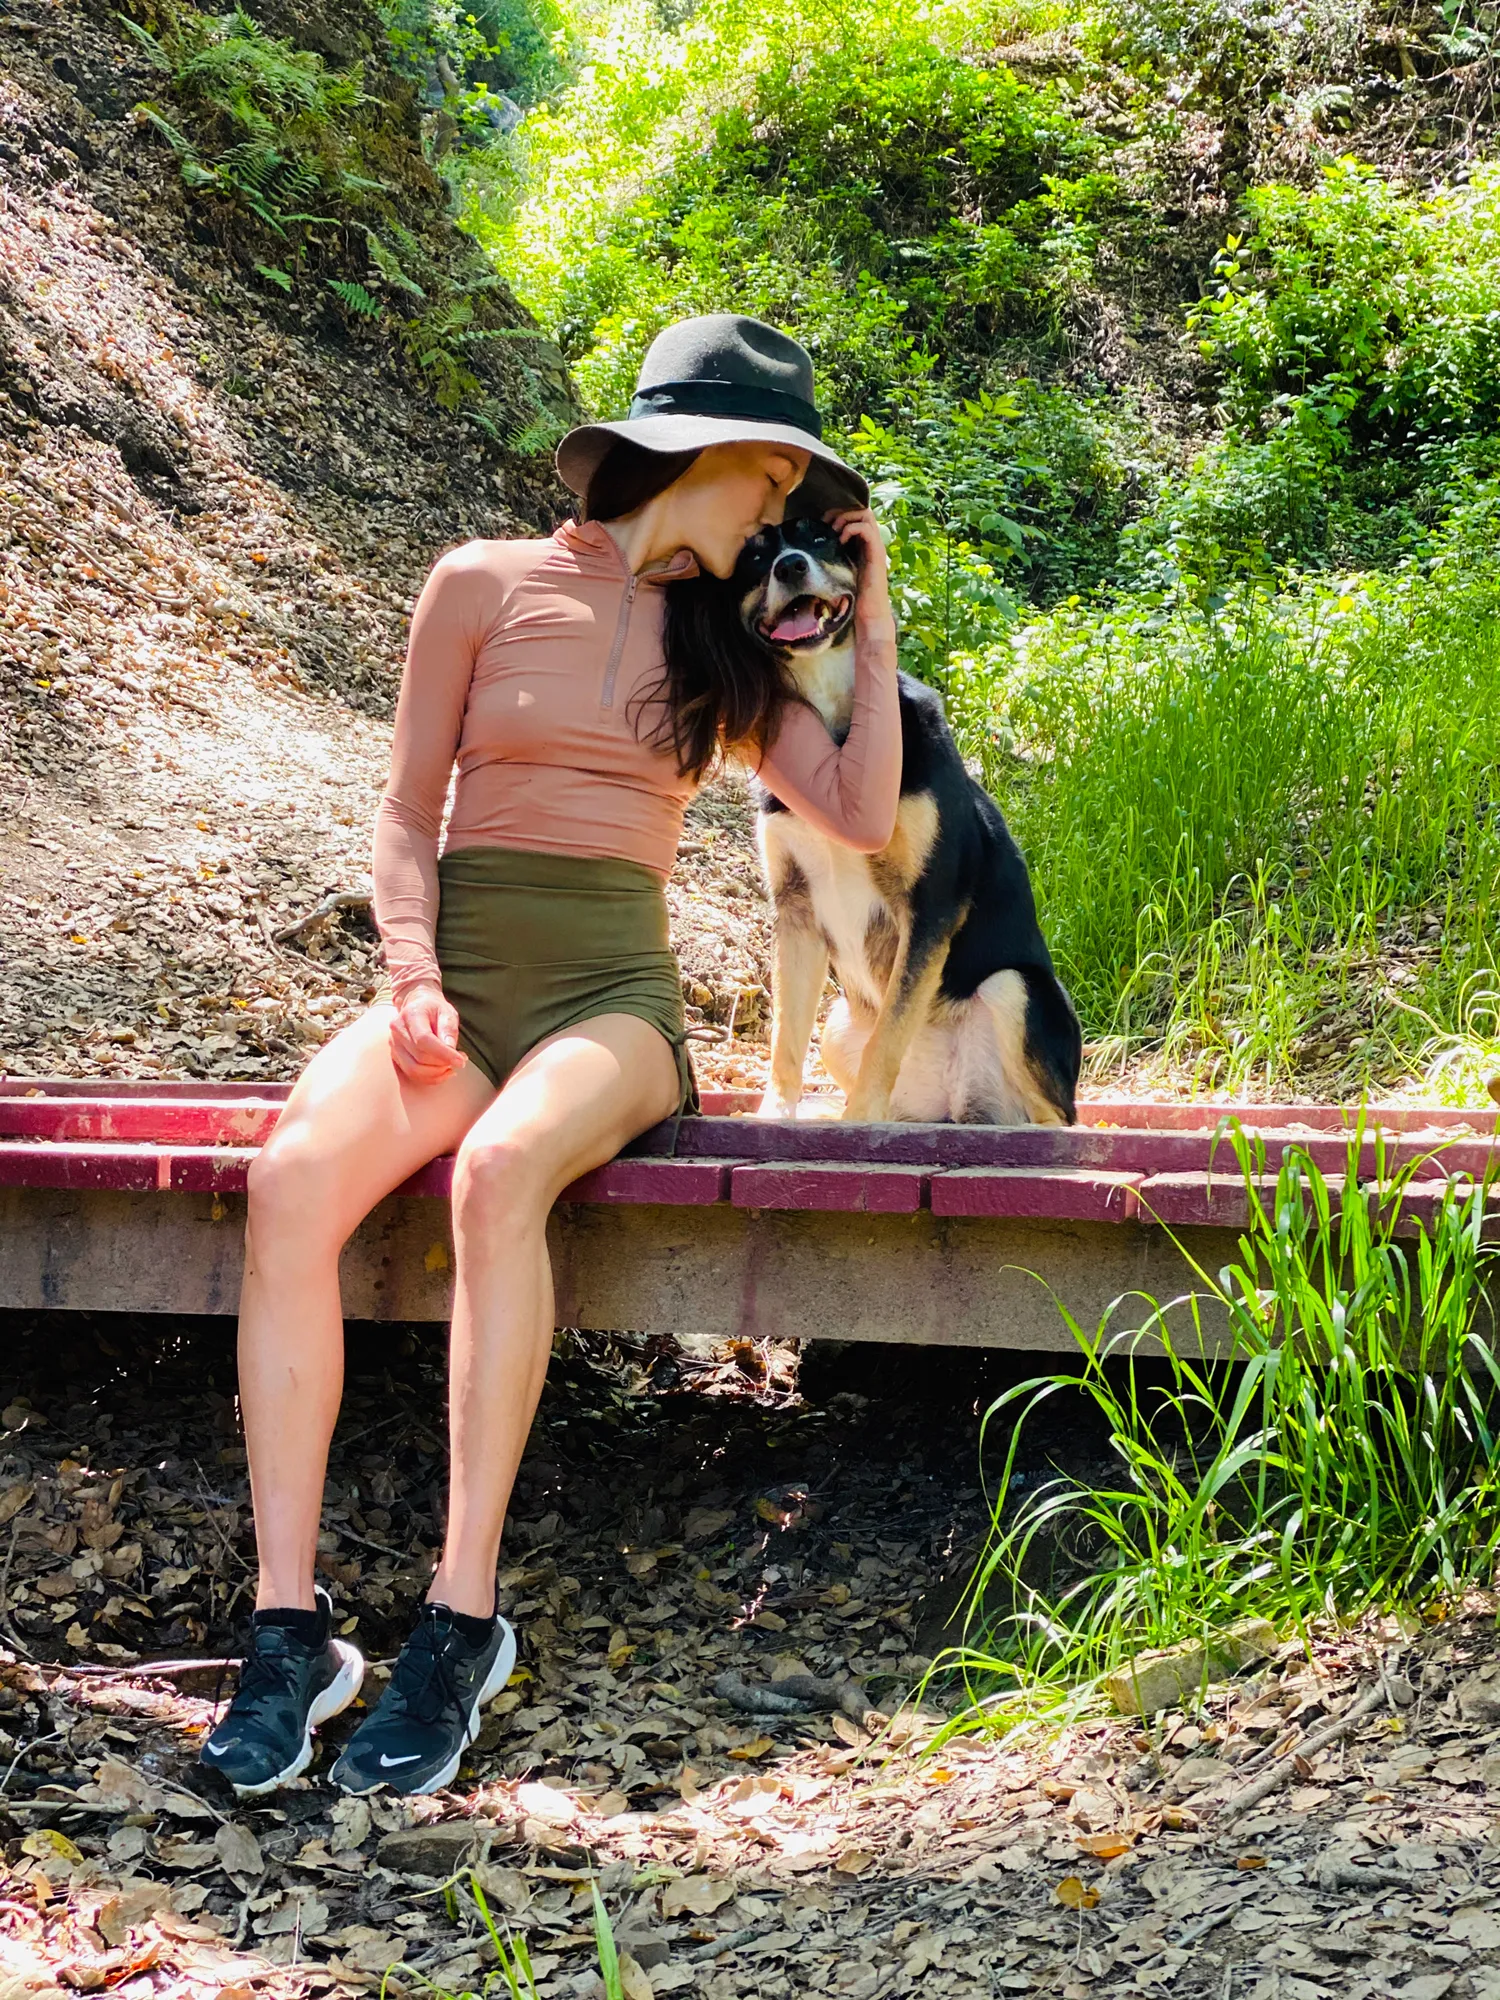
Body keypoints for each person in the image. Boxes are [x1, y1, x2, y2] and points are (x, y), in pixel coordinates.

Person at [198, 314, 902, 1799]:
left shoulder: (729, 644)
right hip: (457, 985)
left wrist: (874, 613)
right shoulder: (481, 582)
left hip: (612, 1004)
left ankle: (460, 1621)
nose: (783, 507)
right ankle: (288, 1634)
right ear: (703, 455)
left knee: (501, 1170)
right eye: (774, 475)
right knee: (289, 1184)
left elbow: (852, 808)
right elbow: (407, 811)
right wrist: (409, 972)